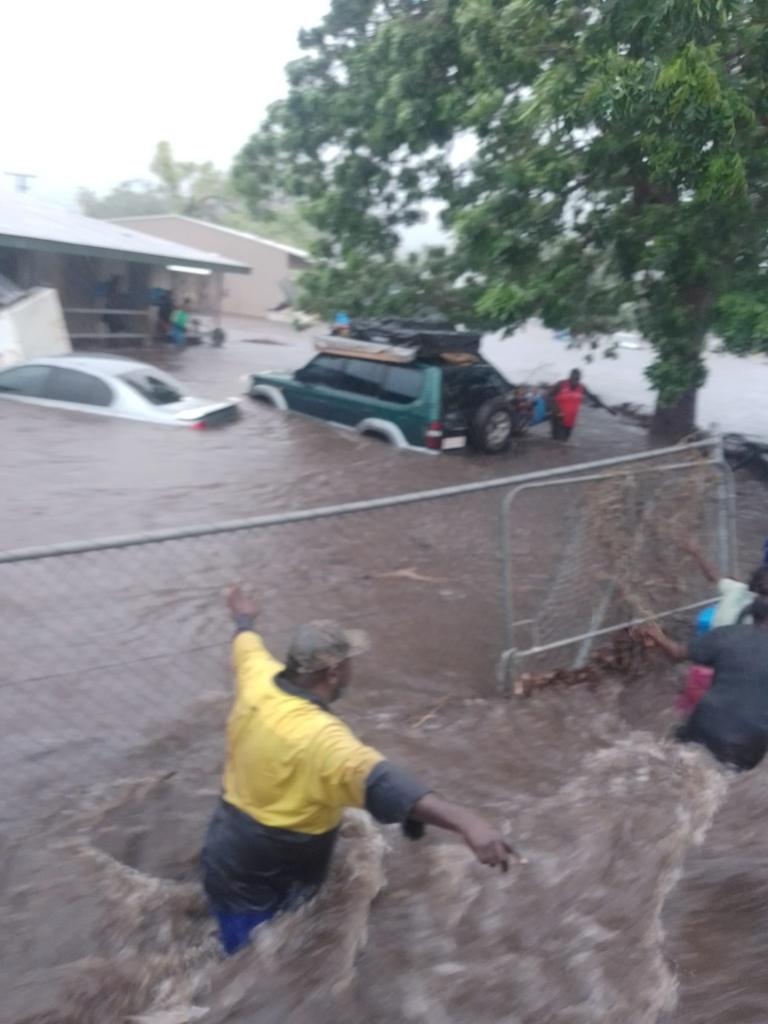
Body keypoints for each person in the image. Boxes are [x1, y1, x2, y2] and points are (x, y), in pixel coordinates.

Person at [201, 587, 520, 955]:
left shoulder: (258, 676)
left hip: (223, 844)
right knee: (260, 961)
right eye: (350, 662)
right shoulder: (321, 738)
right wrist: (467, 822)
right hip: (272, 866)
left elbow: (245, 641)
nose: (353, 669)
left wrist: (243, 616)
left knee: (235, 948)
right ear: (335, 672)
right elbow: (383, 781)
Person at [639, 596, 768, 772]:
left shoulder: (728, 634)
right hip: (751, 742)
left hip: (708, 723)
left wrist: (657, 636)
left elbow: (678, 653)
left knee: (670, 766)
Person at [681, 539, 768, 629]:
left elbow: (712, 576)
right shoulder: (760, 611)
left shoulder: (736, 588)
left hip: (714, 636)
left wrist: (696, 552)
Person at [549, 369, 586, 441]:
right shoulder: (560, 384)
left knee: (565, 441)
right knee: (558, 441)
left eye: (577, 379)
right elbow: (549, 397)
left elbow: (593, 397)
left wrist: (607, 408)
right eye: (574, 378)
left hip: (570, 420)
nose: (575, 381)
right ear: (570, 377)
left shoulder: (581, 387)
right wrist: (557, 411)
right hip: (558, 417)